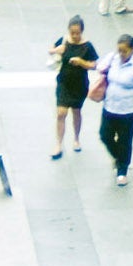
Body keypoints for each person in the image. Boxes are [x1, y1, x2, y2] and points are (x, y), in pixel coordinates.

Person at [94, 33, 133, 183]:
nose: (121, 54)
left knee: (125, 140)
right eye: (119, 50)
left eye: (124, 51)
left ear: (132, 50)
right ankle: (119, 158)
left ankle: (122, 169)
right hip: (110, 106)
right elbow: (98, 66)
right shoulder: (114, 59)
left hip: (128, 111)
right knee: (105, 135)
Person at [47, 16, 98, 160]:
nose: (75, 36)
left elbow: (94, 64)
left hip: (79, 84)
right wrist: (57, 50)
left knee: (76, 111)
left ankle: (76, 138)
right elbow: (50, 50)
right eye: (72, 33)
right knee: (61, 113)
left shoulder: (87, 46)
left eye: (77, 33)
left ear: (82, 31)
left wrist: (81, 62)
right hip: (64, 82)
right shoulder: (64, 40)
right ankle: (58, 143)